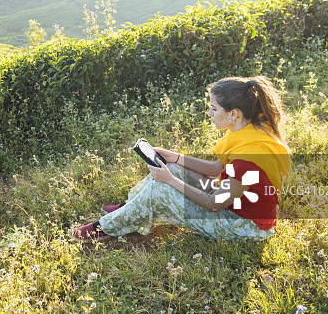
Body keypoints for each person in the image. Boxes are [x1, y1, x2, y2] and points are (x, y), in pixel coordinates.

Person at [71, 76, 291, 242]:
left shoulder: (248, 157)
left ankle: (103, 228)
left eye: (214, 108)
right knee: (173, 168)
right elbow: (216, 169)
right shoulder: (245, 132)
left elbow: (213, 204)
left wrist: (169, 180)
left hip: (245, 227)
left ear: (233, 113)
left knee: (163, 187)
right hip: (234, 206)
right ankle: (131, 206)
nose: (210, 113)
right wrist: (175, 157)